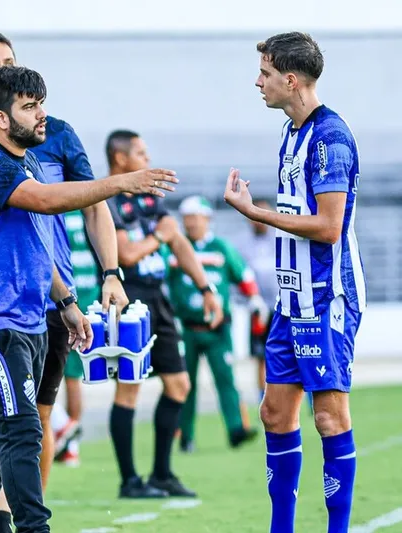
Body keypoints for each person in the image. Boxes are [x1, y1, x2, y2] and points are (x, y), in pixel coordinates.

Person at [0, 32, 172, 532]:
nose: (42, 116)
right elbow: (48, 203)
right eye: (31, 107)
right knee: (21, 431)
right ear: (1, 118)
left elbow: (38, 241)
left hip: (30, 317)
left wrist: (69, 301)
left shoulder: (26, 158)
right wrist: (123, 182)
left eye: (42, 105)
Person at [224, 32, 365, 533]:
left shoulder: (329, 137)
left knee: (329, 418)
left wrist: (255, 212)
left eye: (264, 73)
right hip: (290, 297)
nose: (257, 82)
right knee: (274, 413)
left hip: (328, 296)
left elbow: (329, 227)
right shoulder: (291, 132)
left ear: (290, 79)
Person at [104, 130, 223, 499]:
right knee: (129, 389)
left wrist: (206, 288)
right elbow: (125, 255)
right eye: (140, 152)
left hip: (158, 299)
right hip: (128, 301)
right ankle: (129, 481)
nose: (147, 157)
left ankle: (161, 474)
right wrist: (160, 237)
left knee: (179, 385)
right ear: (121, 159)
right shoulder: (107, 199)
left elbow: (180, 243)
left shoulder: (148, 198)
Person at [165, 195, 265, 452]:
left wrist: (254, 299)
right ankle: (186, 436)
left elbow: (243, 274)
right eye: (187, 218)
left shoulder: (221, 248)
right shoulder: (175, 247)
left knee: (226, 379)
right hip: (186, 327)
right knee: (186, 383)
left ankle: (236, 430)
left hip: (218, 328)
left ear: (207, 219)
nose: (191, 223)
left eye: (196, 218)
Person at [52, 209, 98, 466]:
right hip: (85, 293)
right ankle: (71, 442)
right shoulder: (86, 205)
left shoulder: (49, 204)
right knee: (72, 376)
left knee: (45, 371)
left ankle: (64, 429)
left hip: (60, 296)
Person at [234, 197, 278, 402]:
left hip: (282, 307)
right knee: (261, 357)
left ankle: (308, 401)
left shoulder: (281, 238)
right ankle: (264, 399)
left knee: (296, 353)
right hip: (258, 309)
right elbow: (238, 276)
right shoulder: (241, 245)